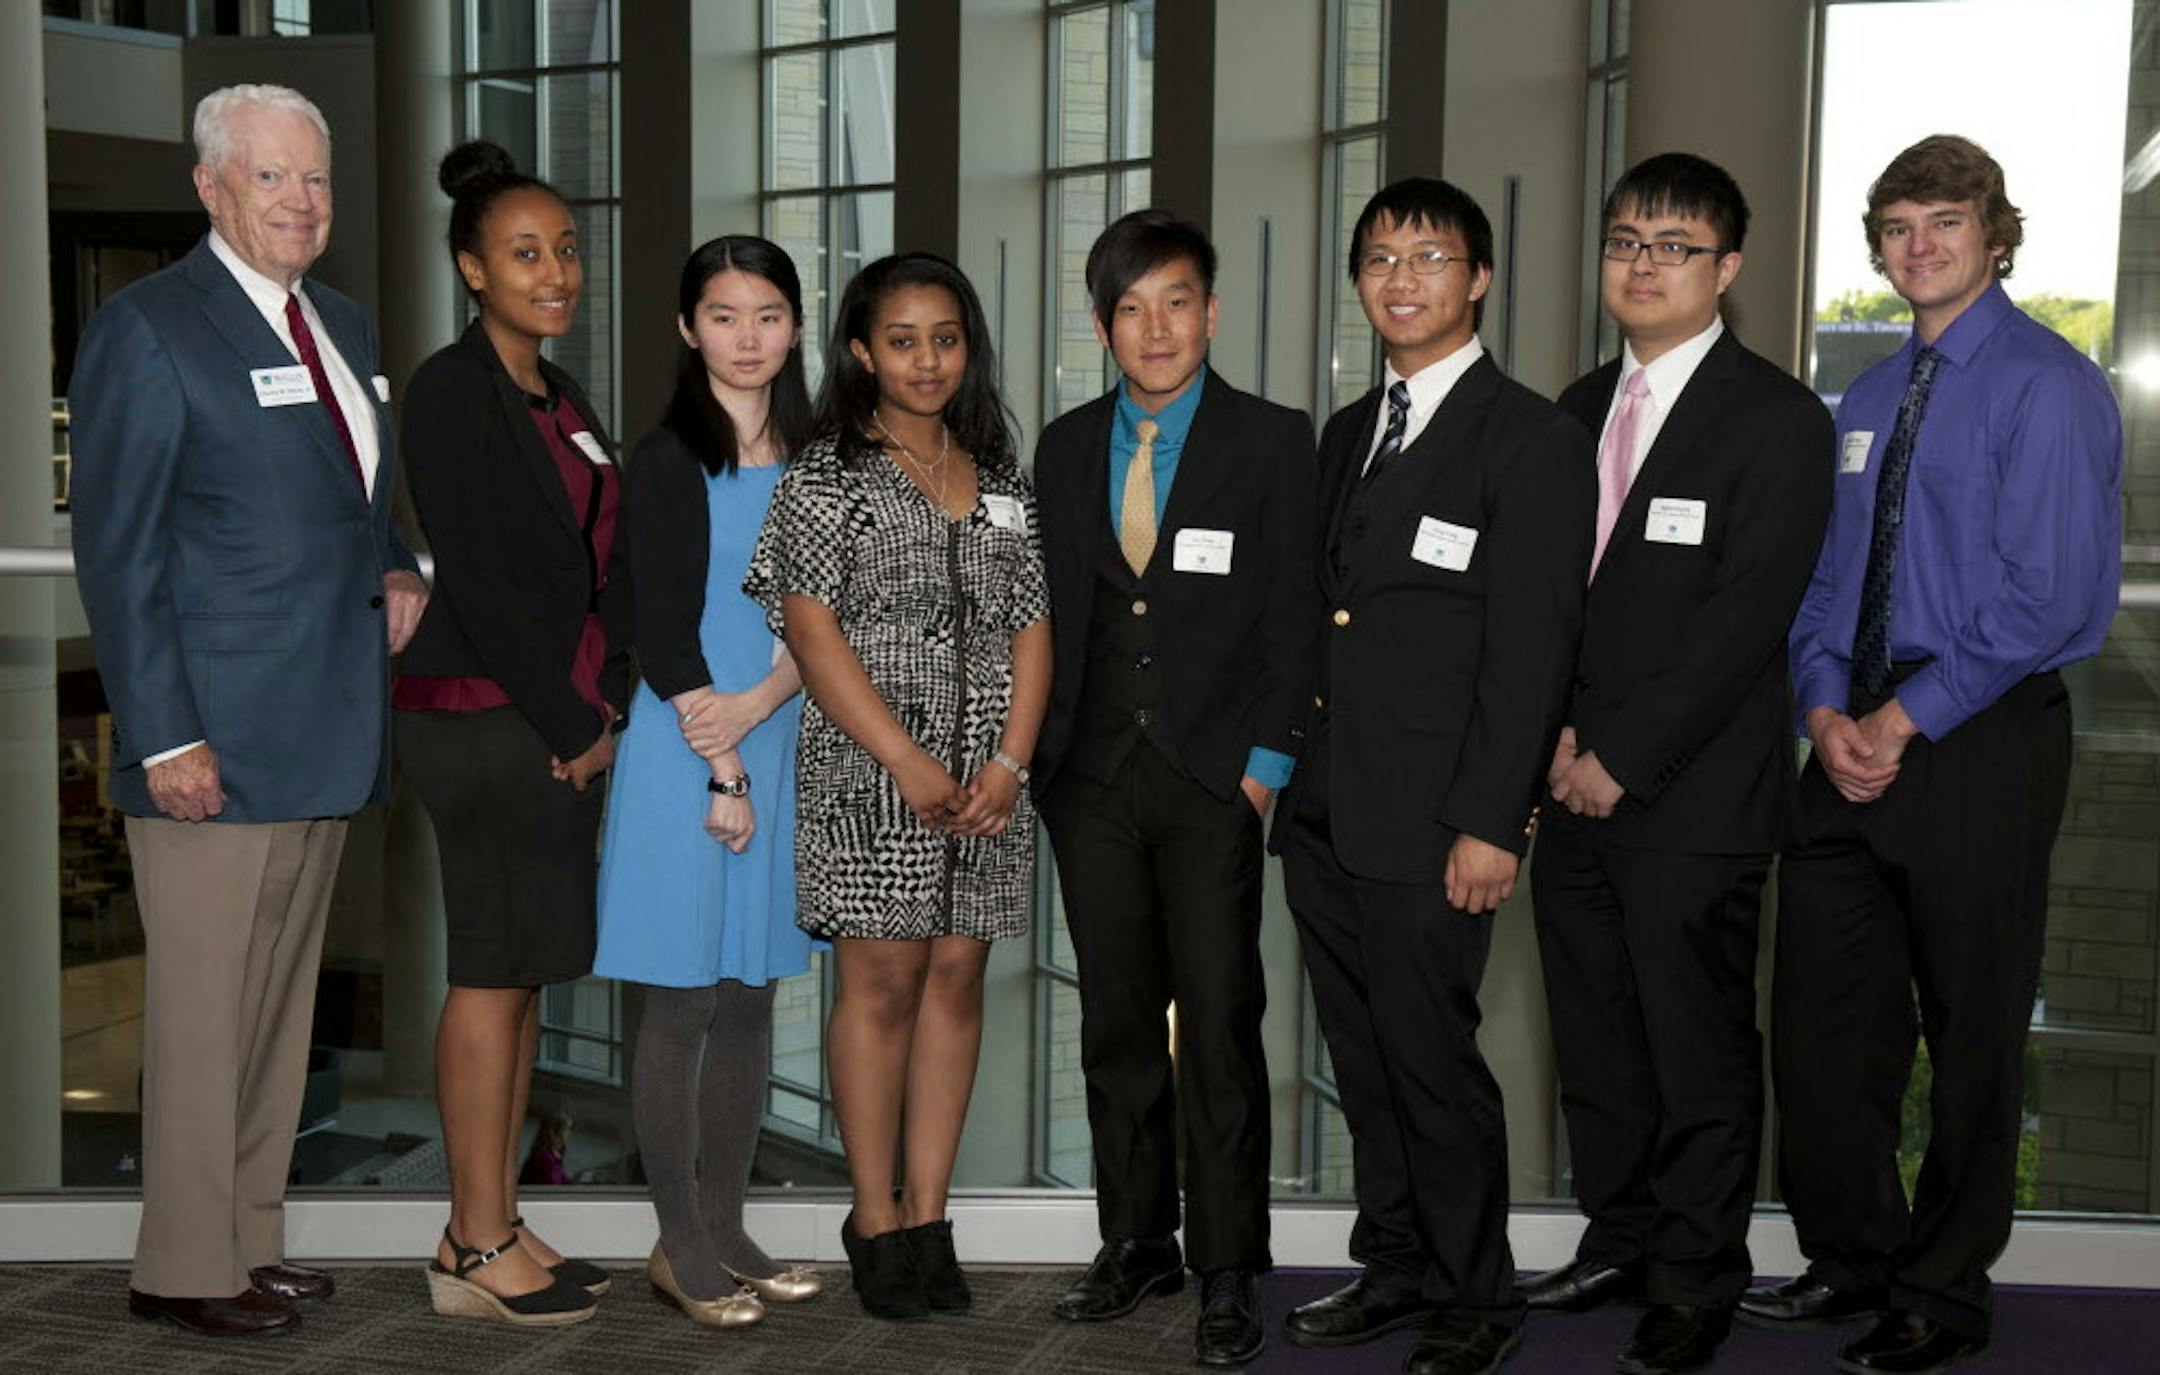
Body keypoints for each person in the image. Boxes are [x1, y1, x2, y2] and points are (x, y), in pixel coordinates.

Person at [1747, 135, 2122, 1375]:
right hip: (1847, 733)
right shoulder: (1860, 397)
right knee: (1823, 1023)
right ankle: (1852, 1254)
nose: (1920, 247)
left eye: (1945, 224)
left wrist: (1904, 721)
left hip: (1979, 740)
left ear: (1994, 235)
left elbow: (2050, 598)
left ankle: (1943, 1291)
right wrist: (1822, 714)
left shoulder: (2048, 386)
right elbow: (1819, 588)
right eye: (1899, 227)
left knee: (1969, 1030)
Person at [68, 83, 425, 1339]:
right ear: (212, 188)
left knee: (276, 1015)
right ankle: (177, 1262)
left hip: (324, 729)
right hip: (209, 742)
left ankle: (249, 1238)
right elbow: (119, 554)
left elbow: (354, 502)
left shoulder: (335, 317)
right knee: (204, 1017)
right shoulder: (149, 329)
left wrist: (394, 565)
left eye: (316, 179)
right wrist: (164, 735)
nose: (302, 201)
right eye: (271, 178)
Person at [1514, 153, 1834, 1375]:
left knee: (1694, 1045)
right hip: (1563, 785)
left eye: (1674, 245)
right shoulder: (1574, 405)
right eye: (1626, 240)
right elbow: (1541, 597)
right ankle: (1622, 1237)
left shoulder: (1778, 420)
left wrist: (1624, 759)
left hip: (1689, 800)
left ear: (1728, 269)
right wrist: (1548, 738)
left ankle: (1696, 1274)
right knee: (1595, 1035)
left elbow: (1743, 620)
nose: (1644, 263)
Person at [1275, 177, 1595, 1375]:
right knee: (1364, 1058)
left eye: (1429, 257)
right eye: (1379, 259)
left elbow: (1533, 650)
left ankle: (1476, 1296)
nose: (1400, 279)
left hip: (1437, 820)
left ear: (1481, 279)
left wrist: (1491, 821)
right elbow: (1329, 613)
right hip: (1327, 811)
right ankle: (1397, 1260)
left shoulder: (1532, 439)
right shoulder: (1352, 430)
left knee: (1433, 1059)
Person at [1031, 209, 1317, 1369]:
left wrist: (1262, 775)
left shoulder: (1270, 438)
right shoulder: (1060, 444)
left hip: (1214, 783)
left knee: (1220, 1028)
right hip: (1091, 780)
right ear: (1103, 325)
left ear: (1211, 310)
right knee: (1113, 1027)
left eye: (1178, 302)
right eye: (1133, 309)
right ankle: (1136, 1237)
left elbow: (1296, 618)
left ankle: (1229, 1266)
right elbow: (1045, 611)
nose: (1158, 328)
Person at [745, 251, 1052, 1320]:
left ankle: (930, 1210)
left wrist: (1009, 765)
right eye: (904, 339)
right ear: (862, 352)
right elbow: (810, 632)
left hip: (990, 783)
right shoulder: (825, 474)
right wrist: (910, 761)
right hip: (875, 771)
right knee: (881, 987)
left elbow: (1033, 629)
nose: (927, 359)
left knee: (957, 979)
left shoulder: (1002, 479)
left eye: (947, 338)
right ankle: (874, 1213)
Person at [395, 139, 629, 1327]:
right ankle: (471, 1243)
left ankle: (491, 1218)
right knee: (490, 972)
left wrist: (606, 711)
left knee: (524, 973)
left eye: (568, 250)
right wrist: (573, 720)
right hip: (487, 723)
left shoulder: (561, 395)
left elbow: (601, 569)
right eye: (526, 253)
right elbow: (479, 579)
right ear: (470, 268)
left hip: (558, 719)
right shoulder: (449, 389)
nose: (556, 272)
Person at [593, 235, 824, 1331]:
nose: (747, 338)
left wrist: (767, 702)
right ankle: (679, 1245)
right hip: (690, 749)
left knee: (749, 999)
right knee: (682, 1000)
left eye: (768, 314)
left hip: (776, 732)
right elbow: (661, 626)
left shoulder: (823, 456)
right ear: (689, 329)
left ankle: (727, 1226)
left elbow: (832, 614)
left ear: (794, 325)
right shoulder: (667, 457)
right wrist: (723, 756)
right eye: (724, 316)